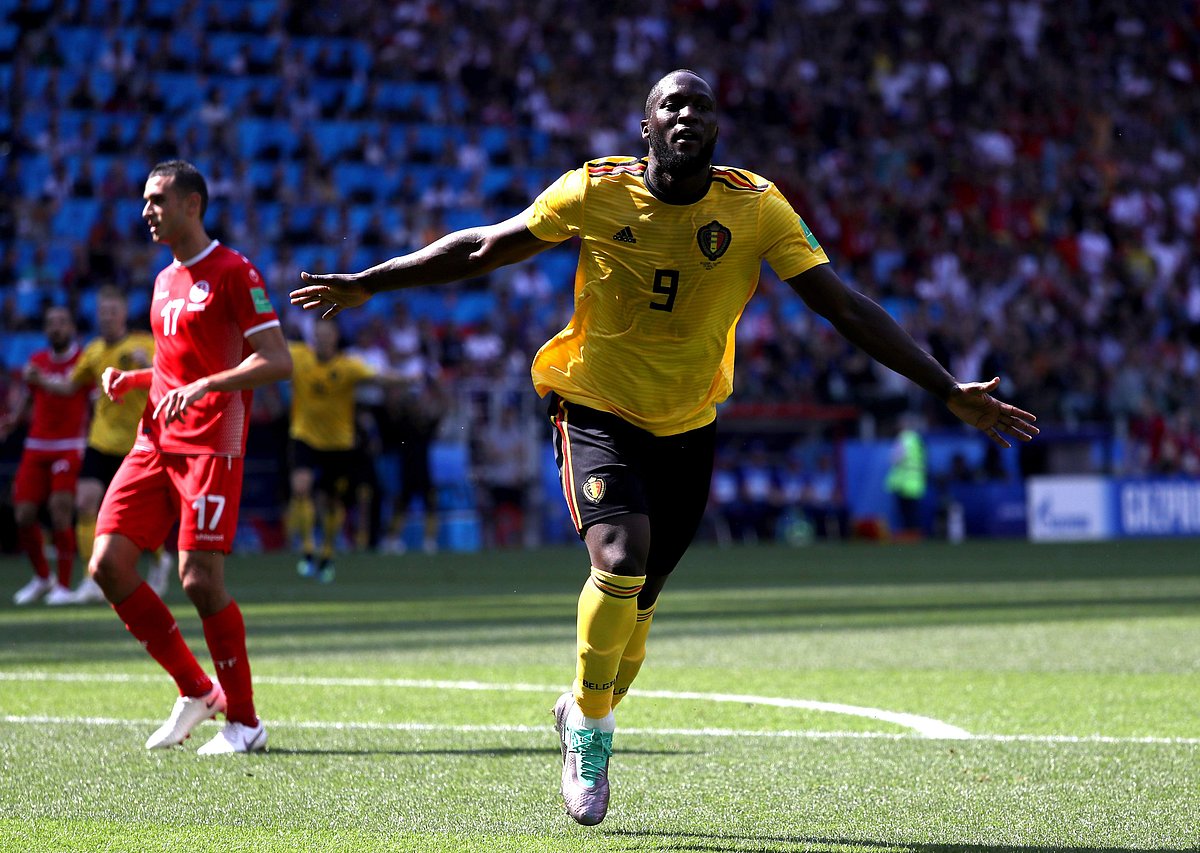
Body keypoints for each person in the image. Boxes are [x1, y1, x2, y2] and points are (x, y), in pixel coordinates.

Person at [290, 70, 1038, 824]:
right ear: (645, 127)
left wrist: (945, 387)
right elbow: (487, 244)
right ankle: (591, 731)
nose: (686, 113)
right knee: (620, 562)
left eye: (700, 105)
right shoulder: (594, 190)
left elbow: (842, 306)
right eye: (670, 104)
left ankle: (584, 704)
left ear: (716, 128)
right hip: (594, 404)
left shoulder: (756, 206)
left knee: (640, 607)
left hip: (687, 422)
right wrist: (370, 283)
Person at [90, 160, 292, 755]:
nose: (146, 211)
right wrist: (136, 380)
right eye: (144, 200)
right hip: (155, 439)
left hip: (211, 442)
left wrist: (206, 386)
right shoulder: (163, 280)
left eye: (157, 199)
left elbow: (277, 360)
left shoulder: (234, 272)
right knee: (107, 565)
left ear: (192, 204)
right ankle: (197, 690)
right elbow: (176, 365)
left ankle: (245, 724)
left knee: (199, 580)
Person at [29, 286, 173, 604]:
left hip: (138, 444)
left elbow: (171, 378)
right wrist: (42, 382)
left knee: (136, 520)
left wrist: (147, 365)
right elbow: (71, 386)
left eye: (113, 311)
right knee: (85, 504)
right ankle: (90, 579)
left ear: (123, 314)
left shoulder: (143, 345)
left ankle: (160, 558)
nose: (107, 317)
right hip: (99, 440)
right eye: (102, 312)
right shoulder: (92, 351)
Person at [285, 318, 391, 582]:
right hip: (304, 435)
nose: (322, 338)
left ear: (335, 337)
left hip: (338, 444)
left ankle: (328, 551)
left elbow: (379, 377)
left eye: (327, 333)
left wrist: (411, 378)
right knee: (300, 488)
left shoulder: (348, 366)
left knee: (332, 502)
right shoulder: (299, 355)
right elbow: (268, 345)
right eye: (318, 333)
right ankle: (308, 549)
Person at [2, 306, 89, 606]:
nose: (56, 328)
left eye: (62, 322)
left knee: (60, 508)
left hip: (70, 444)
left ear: (72, 328)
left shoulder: (83, 361)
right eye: (51, 323)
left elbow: (77, 393)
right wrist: (12, 420)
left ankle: (63, 586)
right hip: (36, 444)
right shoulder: (37, 361)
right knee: (23, 513)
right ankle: (43, 577)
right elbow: (27, 398)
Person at [886, 413, 928, 541]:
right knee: (913, 511)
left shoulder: (903, 438)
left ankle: (909, 536)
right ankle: (914, 535)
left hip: (904, 482)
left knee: (906, 512)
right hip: (916, 482)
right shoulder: (917, 439)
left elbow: (895, 458)